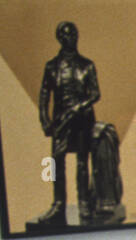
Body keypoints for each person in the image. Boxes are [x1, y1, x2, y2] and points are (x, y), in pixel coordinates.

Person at [31, 22, 100, 228]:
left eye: (75, 34)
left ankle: (84, 203)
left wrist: (79, 107)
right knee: (57, 163)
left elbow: (95, 93)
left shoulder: (87, 65)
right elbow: (44, 96)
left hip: (81, 121)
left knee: (82, 163)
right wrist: (44, 121)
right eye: (68, 35)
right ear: (60, 38)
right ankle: (58, 205)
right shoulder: (51, 66)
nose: (73, 38)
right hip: (61, 122)